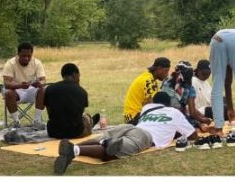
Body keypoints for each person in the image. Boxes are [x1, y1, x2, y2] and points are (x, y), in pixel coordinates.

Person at [53, 91, 199, 175]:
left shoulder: (147, 108)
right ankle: (74, 150)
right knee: (115, 149)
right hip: (146, 136)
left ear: (155, 101)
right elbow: (193, 136)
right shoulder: (174, 112)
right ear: (168, 104)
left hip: (129, 127)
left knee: (103, 136)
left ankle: (73, 145)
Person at [2, 42, 47, 128]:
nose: (26, 58)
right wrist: (20, 86)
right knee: (8, 93)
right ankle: (16, 122)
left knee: (44, 90)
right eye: (23, 56)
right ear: (18, 54)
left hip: (32, 89)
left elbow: (43, 80)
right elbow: (6, 83)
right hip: (16, 91)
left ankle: (37, 121)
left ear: (31, 54)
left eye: (29, 56)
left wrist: (39, 83)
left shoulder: (37, 63)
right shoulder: (10, 63)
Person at [44, 63, 93, 139]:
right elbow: (79, 113)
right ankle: (91, 122)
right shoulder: (82, 91)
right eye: (79, 76)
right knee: (87, 117)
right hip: (76, 133)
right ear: (74, 74)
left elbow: (49, 112)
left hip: (53, 132)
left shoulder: (49, 89)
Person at [161, 61, 211, 130]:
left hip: (162, 115)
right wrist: (204, 120)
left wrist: (202, 117)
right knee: (192, 127)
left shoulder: (166, 82)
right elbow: (192, 113)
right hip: (177, 115)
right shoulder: (189, 87)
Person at [123, 56, 170, 123]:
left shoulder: (147, 76)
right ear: (159, 68)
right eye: (166, 71)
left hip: (130, 116)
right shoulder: (149, 81)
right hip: (134, 116)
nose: (167, 74)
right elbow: (152, 106)